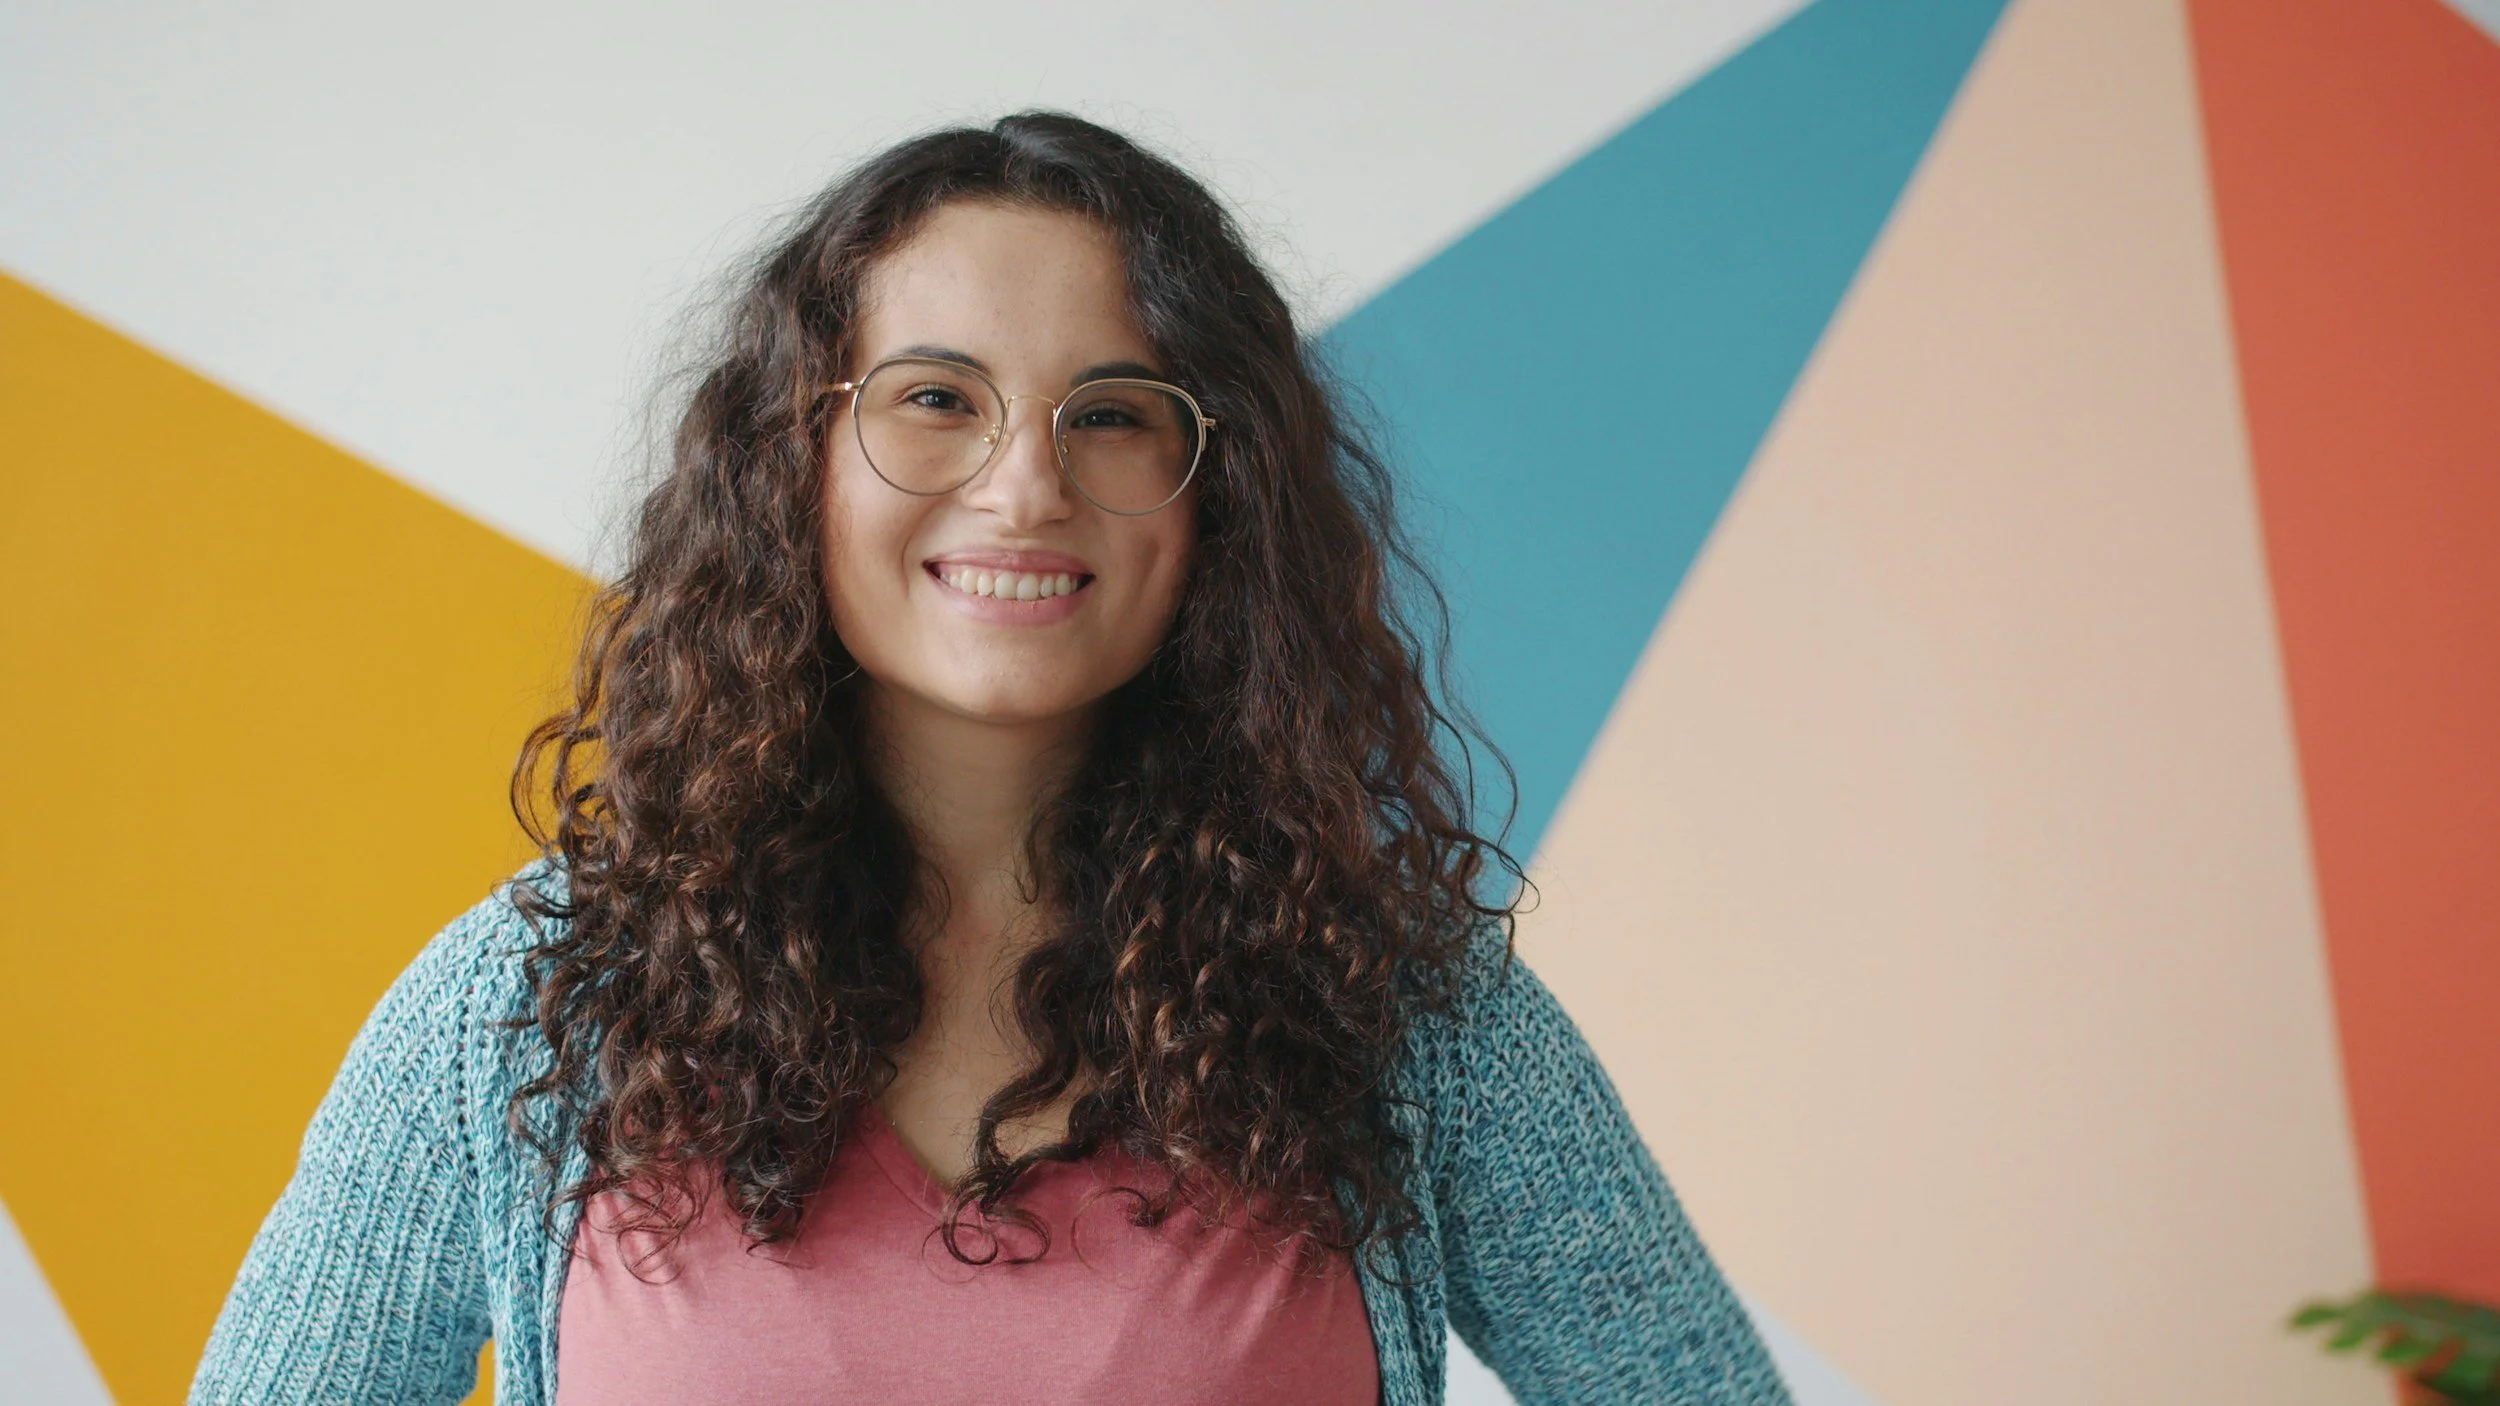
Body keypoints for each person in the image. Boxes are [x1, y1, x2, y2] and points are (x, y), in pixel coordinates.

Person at [188, 112, 1791, 1405]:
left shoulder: (1404, 1014)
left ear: (1213, 501)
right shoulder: (531, 1012)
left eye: (1113, 414)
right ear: (792, 463)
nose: (1025, 486)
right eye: (937, 398)